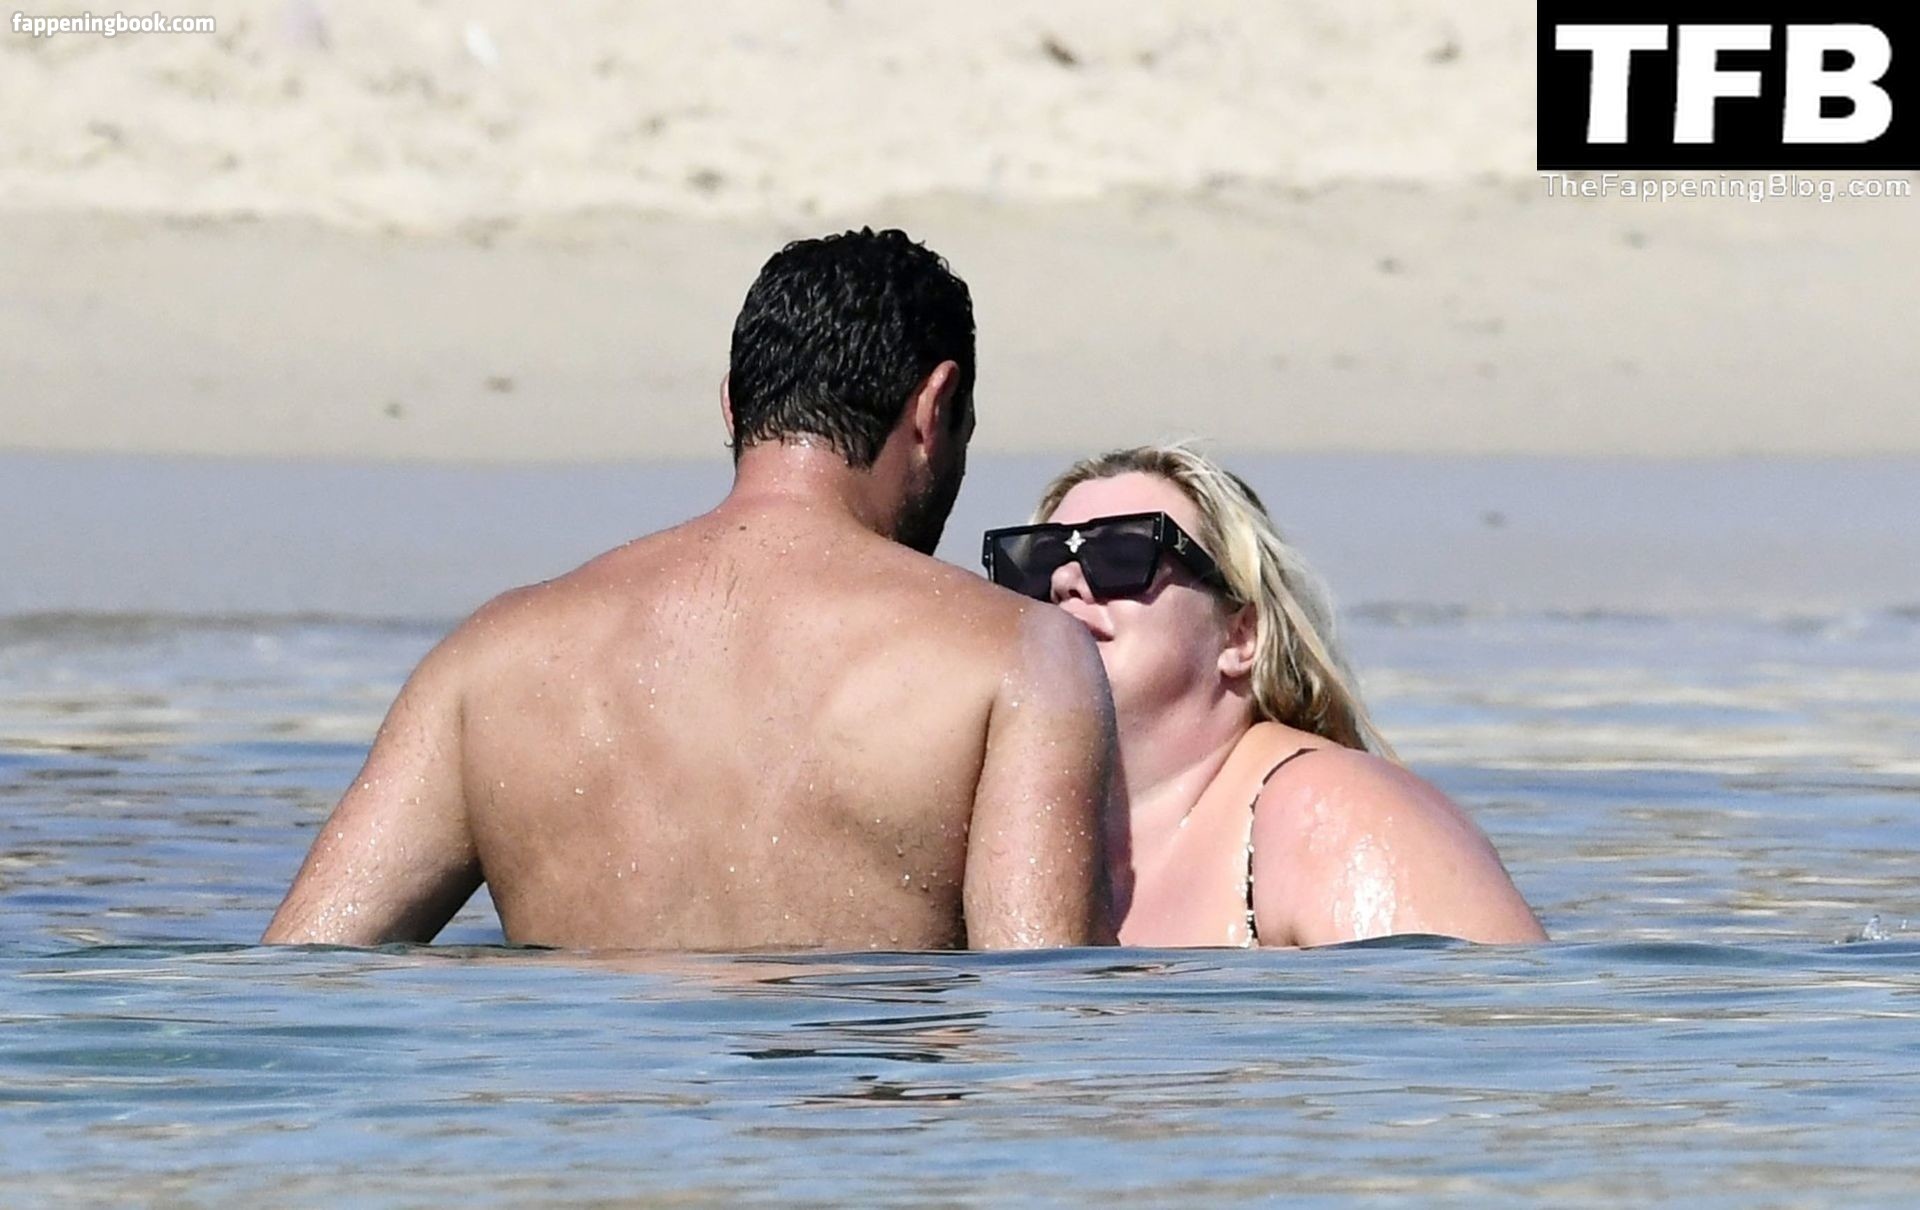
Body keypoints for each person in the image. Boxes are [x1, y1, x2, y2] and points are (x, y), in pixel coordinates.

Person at [264, 228, 1115, 951]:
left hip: (576, 1100)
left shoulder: (491, 656)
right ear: (936, 407)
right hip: (867, 1100)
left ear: (732, 407)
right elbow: (1038, 1027)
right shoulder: (1017, 656)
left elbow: (298, 980)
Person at [982, 445, 1545, 947]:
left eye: (1122, 555)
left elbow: (1484, 1019)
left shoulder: (1334, 814)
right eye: (1038, 561)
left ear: (1240, 636)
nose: (1065, 583)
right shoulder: (1015, 833)